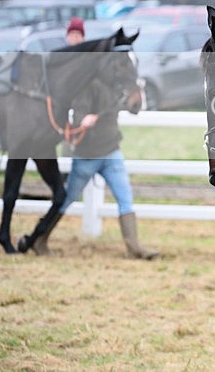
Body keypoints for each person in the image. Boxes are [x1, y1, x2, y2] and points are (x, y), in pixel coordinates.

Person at [51, 18, 158, 259]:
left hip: (111, 151)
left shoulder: (115, 84)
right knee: (66, 199)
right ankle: (40, 236)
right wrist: (82, 121)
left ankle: (134, 248)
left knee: (125, 198)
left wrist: (134, 98)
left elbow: (133, 105)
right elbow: (77, 116)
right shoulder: (86, 85)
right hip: (88, 155)